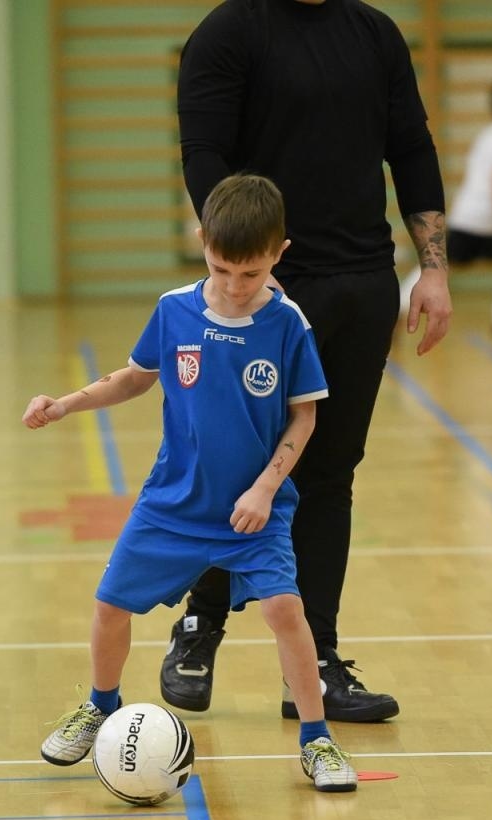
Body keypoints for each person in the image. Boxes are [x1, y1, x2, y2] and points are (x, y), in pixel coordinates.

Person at [165, 0, 453, 724]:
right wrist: (246, 271)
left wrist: (434, 268)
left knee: (329, 475)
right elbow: (204, 156)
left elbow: (412, 150)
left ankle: (317, 666)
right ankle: (199, 628)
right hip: (261, 292)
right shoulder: (229, 33)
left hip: (359, 285)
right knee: (237, 467)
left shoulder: (375, 34)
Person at [24, 175, 357, 792]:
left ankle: (317, 741)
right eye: (222, 268)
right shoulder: (174, 309)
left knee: (287, 609)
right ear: (202, 242)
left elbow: (304, 414)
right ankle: (99, 705)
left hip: (253, 511)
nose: (235, 287)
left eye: (251, 274)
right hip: (172, 504)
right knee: (108, 605)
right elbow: (134, 376)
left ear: (279, 254)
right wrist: (66, 404)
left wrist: (264, 489)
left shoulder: (287, 323)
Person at [400, 76, 492, 336]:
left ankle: (400, 306)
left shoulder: (490, 134)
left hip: (469, 213)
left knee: (451, 262)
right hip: (485, 218)